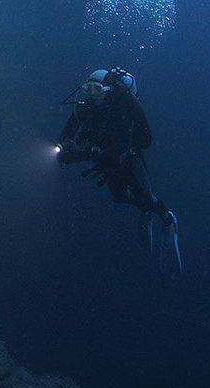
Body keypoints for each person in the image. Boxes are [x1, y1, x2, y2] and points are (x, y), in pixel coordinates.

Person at [57, 68, 182, 269]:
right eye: (87, 88)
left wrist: (88, 153)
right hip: (106, 161)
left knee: (147, 195)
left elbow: (143, 139)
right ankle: (145, 211)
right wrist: (65, 146)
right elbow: (70, 131)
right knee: (120, 197)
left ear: (107, 90)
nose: (90, 94)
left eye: (96, 89)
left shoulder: (121, 108)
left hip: (127, 158)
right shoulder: (85, 108)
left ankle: (168, 219)